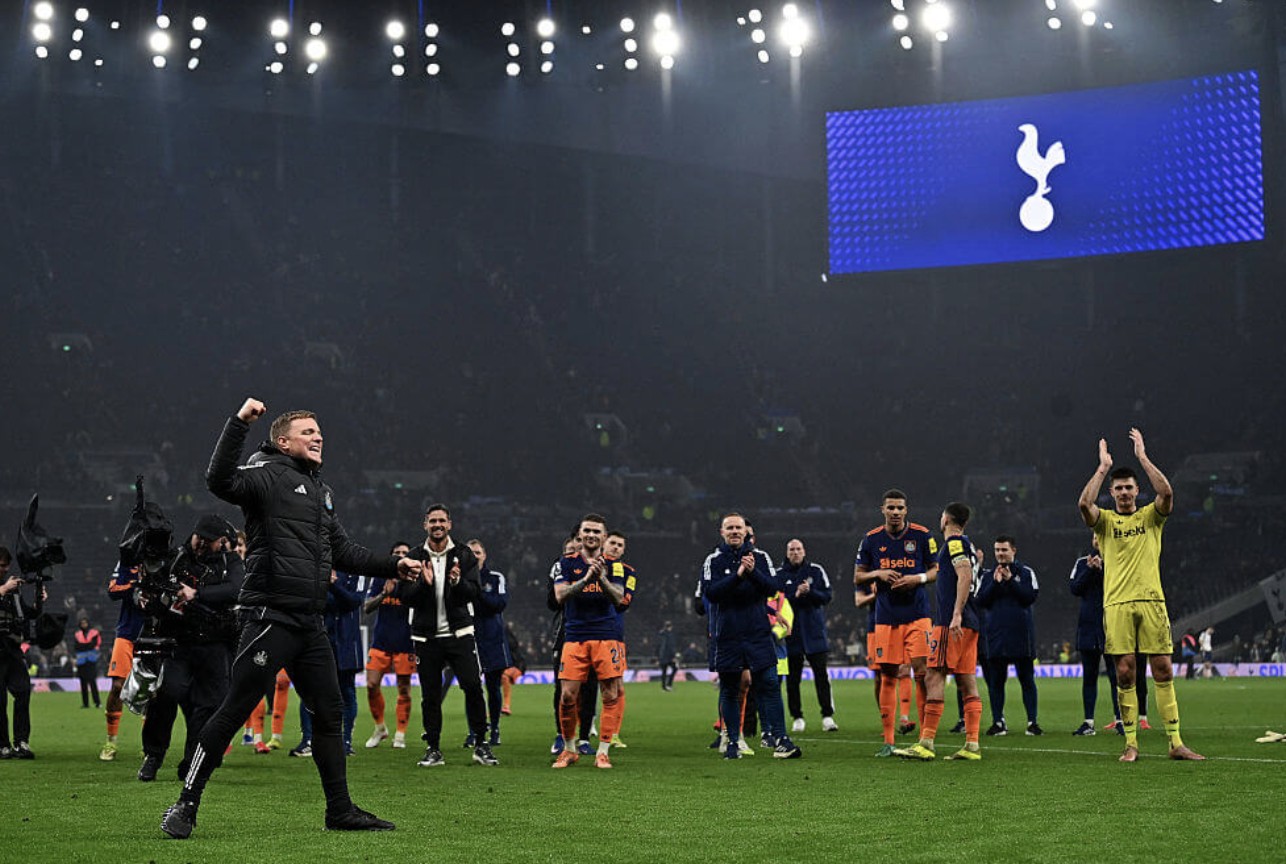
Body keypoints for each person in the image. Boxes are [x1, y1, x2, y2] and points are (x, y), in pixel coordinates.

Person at [160, 399, 421, 839]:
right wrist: (239, 423)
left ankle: (339, 810)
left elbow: (343, 551)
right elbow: (219, 479)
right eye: (307, 432)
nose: (318, 437)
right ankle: (186, 803)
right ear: (283, 442)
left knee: (330, 713)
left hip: (309, 623)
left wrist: (392, 565)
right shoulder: (266, 474)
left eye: (319, 432)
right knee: (235, 709)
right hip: (270, 617)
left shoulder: (320, 491)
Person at [1077, 428, 1204, 762]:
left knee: (1163, 669)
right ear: (1112, 492)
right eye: (1118, 488)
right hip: (1117, 604)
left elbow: (1167, 493)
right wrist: (1103, 468)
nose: (1124, 493)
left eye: (1128, 487)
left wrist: (1143, 458)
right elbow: (1084, 504)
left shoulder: (1150, 517)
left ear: (1137, 490)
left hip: (1151, 601)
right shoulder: (1104, 522)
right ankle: (1131, 743)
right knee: (1125, 672)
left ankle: (1175, 743)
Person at [139, 515, 245, 783]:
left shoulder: (229, 561)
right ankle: (153, 755)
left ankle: (192, 762)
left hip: (215, 643)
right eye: (207, 540)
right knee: (166, 694)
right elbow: (153, 587)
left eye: (215, 541)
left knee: (209, 706)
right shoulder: (175, 558)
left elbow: (236, 589)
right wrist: (145, 597)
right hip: (180, 642)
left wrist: (196, 594)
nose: (210, 545)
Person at [397, 504, 495, 768]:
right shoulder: (414, 557)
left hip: (459, 634)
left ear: (449, 524)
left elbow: (474, 593)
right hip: (426, 638)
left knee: (473, 687)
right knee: (430, 695)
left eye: (442, 521)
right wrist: (423, 584)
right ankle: (433, 748)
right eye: (433, 521)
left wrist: (456, 583)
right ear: (425, 525)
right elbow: (404, 596)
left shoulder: (464, 555)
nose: (437, 525)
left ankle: (481, 744)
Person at [701, 513, 800, 761]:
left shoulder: (761, 557)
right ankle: (733, 742)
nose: (735, 531)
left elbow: (773, 588)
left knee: (770, 684)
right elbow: (711, 593)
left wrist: (752, 572)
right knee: (730, 688)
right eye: (730, 528)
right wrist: (737, 576)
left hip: (757, 634)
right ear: (722, 532)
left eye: (739, 527)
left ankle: (781, 739)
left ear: (746, 531)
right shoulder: (713, 560)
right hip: (727, 635)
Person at [895, 502, 985, 761]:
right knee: (967, 680)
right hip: (970, 622)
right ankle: (972, 745)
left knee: (933, 675)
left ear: (945, 519)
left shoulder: (954, 543)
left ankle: (926, 742)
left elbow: (964, 575)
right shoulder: (966, 545)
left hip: (951, 623)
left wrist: (956, 613)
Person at [854, 489, 938, 757]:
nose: (895, 512)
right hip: (886, 617)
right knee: (888, 675)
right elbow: (858, 577)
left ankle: (925, 740)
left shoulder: (922, 535)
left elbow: (936, 570)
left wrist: (917, 579)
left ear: (906, 510)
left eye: (900, 508)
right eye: (890, 507)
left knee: (922, 673)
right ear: (883, 510)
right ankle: (888, 741)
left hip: (918, 615)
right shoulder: (871, 539)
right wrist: (878, 573)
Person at [552, 514, 636, 769]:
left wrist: (601, 578)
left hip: (606, 636)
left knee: (610, 693)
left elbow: (619, 598)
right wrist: (586, 579)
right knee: (568, 695)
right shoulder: (566, 562)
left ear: (603, 536)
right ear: (580, 534)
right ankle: (569, 749)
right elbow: (560, 596)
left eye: (596, 532)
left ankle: (603, 751)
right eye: (587, 531)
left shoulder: (615, 566)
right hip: (575, 636)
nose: (591, 535)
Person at [977, 535, 1042, 736]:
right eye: (997, 550)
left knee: (1027, 680)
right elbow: (980, 601)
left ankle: (1032, 722)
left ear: (1013, 550)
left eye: (1004, 550)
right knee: (996, 682)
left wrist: (1010, 581)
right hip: (996, 636)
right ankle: (998, 722)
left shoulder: (1026, 572)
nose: (1000, 554)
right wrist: (996, 584)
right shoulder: (988, 576)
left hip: (1021, 635)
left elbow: (1029, 597)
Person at [778, 538, 837, 734]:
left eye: (798, 549)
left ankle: (827, 716)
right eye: (791, 550)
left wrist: (810, 592)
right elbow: (775, 603)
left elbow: (827, 596)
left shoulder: (816, 571)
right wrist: (794, 595)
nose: (795, 552)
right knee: (792, 680)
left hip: (814, 633)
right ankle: (797, 717)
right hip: (791, 634)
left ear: (804, 551)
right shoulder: (779, 575)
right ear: (787, 553)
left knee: (821, 676)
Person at [362, 541, 415, 750]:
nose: (401, 555)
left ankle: (400, 735)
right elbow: (367, 607)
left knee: (404, 689)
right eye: (397, 553)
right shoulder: (380, 578)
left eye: (404, 553)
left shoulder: (414, 580)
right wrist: (384, 593)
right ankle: (380, 728)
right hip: (381, 641)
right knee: (371, 685)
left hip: (405, 642)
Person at [0, 546, 43, 759]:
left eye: (5, 565)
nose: (3, 569)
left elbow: (26, 614)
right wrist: (3, 589)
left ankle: (21, 742)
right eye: (0, 565)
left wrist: (38, 601)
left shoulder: (13, 589)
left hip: (12, 647)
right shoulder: (7, 587)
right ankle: (2, 745)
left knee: (23, 692)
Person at [100, 561, 146, 761]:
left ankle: (148, 745)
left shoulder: (166, 560)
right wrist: (136, 584)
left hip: (153, 634)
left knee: (152, 692)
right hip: (127, 634)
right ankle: (111, 741)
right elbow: (113, 590)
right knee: (118, 686)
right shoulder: (127, 562)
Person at [469, 538, 511, 748]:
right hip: (469, 638)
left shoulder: (495, 578)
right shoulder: (457, 578)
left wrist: (477, 592)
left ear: (484, 555)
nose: (474, 556)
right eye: (471, 553)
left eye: (478, 552)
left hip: (493, 639)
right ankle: (474, 732)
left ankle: (494, 729)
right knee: (472, 688)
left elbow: (499, 604)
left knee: (493, 688)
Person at [73, 616, 103, 709]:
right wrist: (87, 646)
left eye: (85, 623)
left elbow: (93, 644)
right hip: (81, 662)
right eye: (82, 623)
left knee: (92, 681)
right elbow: (77, 646)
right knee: (83, 683)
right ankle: (85, 703)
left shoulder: (94, 633)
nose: (84, 625)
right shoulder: (77, 634)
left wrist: (84, 646)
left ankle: (97, 702)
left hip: (91, 660)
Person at [656, 620, 677, 691]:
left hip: (662, 656)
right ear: (671, 627)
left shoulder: (660, 634)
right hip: (668, 656)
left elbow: (658, 646)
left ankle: (664, 687)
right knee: (675, 668)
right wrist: (673, 656)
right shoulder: (669, 635)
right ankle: (669, 684)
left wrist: (658, 658)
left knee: (664, 671)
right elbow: (670, 646)